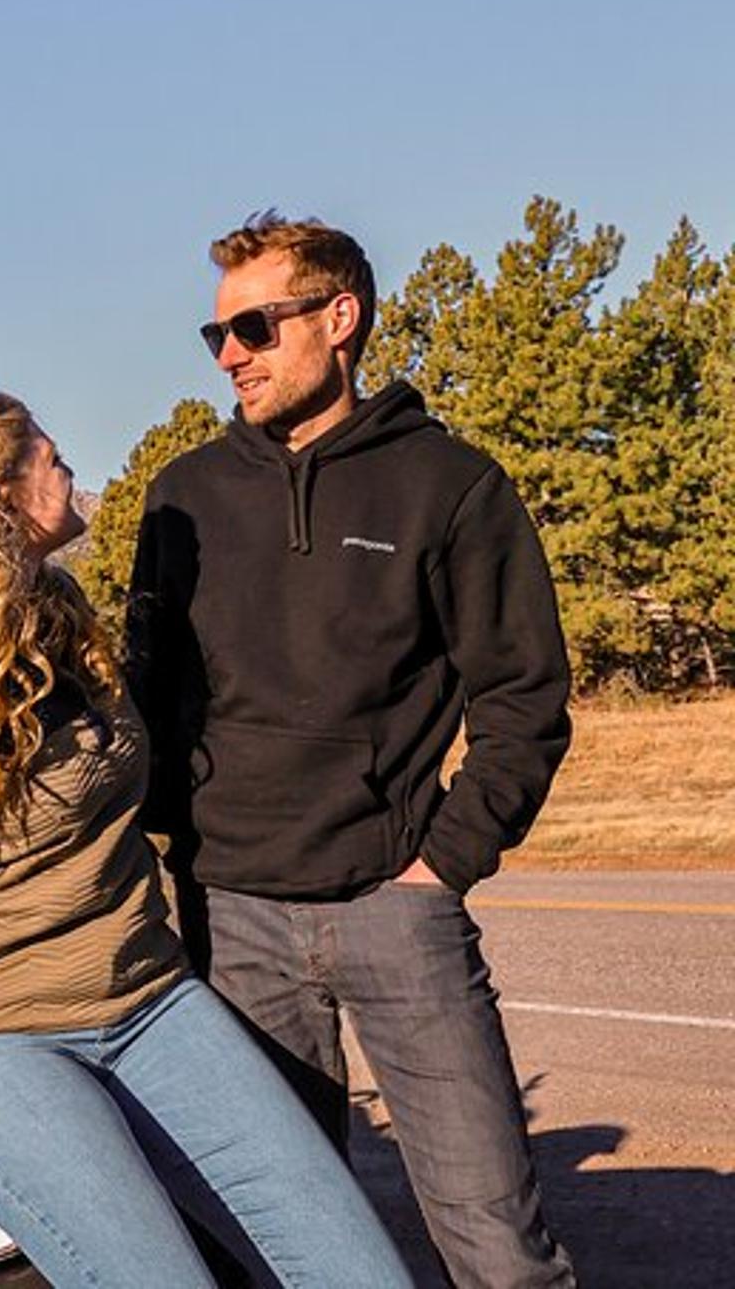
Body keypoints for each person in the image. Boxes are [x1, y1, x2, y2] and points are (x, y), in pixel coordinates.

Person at [0, 386, 411, 1288]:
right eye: (50, 456)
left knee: (362, 1271)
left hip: (149, 999)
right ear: (3, 496)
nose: (70, 468)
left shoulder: (57, 613)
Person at [126, 212, 576, 1286]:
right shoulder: (182, 497)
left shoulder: (449, 486)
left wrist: (439, 868)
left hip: (394, 910)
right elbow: (147, 702)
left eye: (254, 326)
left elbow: (523, 696)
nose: (229, 353)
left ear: (339, 319)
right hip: (229, 922)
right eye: (215, 333)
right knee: (266, 1250)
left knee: (497, 1250)